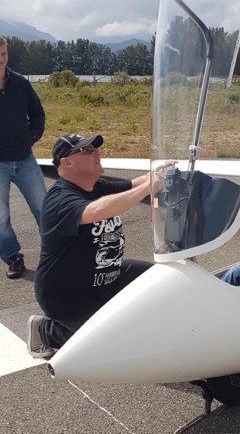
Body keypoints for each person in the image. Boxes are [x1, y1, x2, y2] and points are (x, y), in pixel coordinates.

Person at [27, 133, 167, 358]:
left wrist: (161, 173)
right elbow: (97, 211)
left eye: (95, 148)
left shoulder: (96, 185)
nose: (97, 152)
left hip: (104, 276)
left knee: (160, 279)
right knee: (116, 349)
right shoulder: (59, 199)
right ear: (67, 162)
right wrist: (147, 188)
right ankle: (48, 330)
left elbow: (134, 183)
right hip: (70, 296)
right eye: (87, 150)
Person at [0, 35, 47, 279]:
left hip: (25, 159)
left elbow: (37, 113)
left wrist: (31, 137)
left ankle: (56, 255)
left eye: (4, 55)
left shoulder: (19, 82)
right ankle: (13, 258)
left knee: (44, 209)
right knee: (0, 218)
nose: (1, 60)